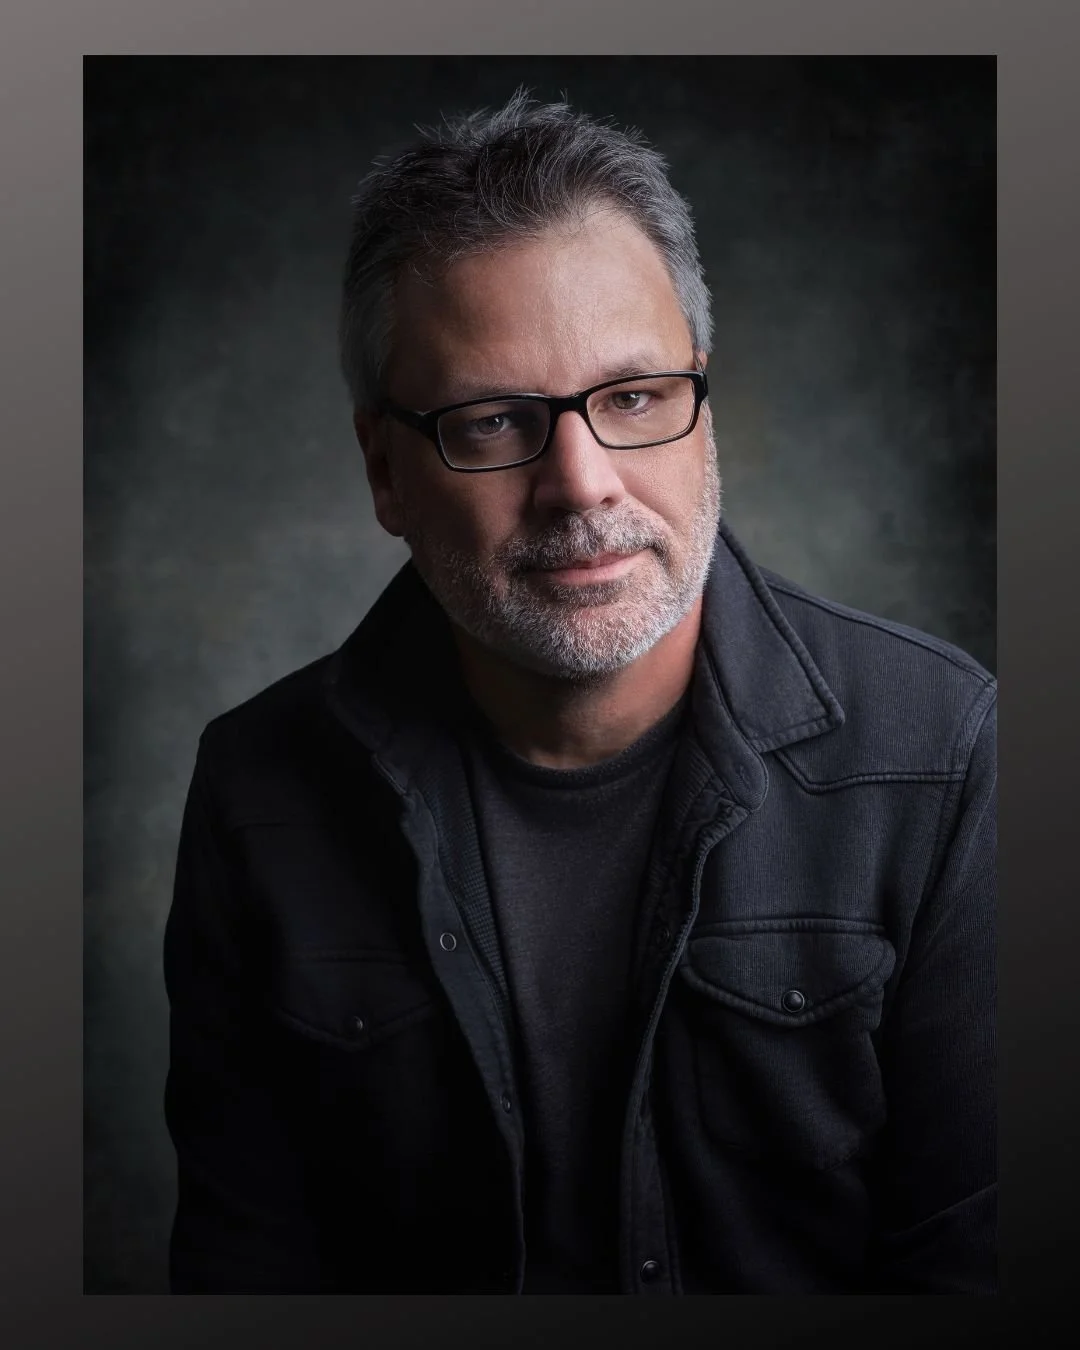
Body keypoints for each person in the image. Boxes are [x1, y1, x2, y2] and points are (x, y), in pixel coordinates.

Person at [163, 90, 996, 1295]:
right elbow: (245, 1275)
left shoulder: (948, 756)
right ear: (385, 472)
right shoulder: (259, 792)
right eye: (493, 421)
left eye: (635, 398)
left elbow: (984, 1273)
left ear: (703, 407)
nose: (581, 484)